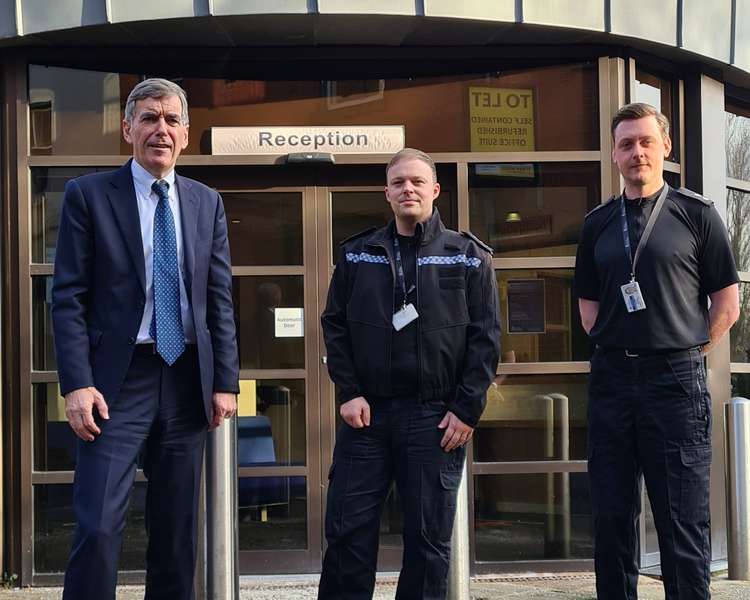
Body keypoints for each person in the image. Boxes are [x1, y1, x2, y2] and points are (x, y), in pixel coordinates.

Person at [51, 78, 240, 600]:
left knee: (177, 532)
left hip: (185, 382)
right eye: (150, 118)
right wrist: (77, 384)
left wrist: (225, 381)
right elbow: (67, 297)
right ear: (128, 128)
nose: (161, 129)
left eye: (172, 120)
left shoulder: (207, 202)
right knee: (97, 525)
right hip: (115, 384)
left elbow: (219, 299)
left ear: (186, 133)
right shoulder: (87, 195)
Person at [574, 102, 740, 600]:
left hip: (675, 384)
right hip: (611, 383)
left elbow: (726, 304)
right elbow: (587, 309)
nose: (637, 152)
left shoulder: (697, 213)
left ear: (665, 148)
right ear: (613, 154)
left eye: (646, 142)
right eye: (626, 144)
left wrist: (685, 351)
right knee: (611, 519)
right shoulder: (597, 223)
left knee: (682, 522)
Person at [318, 148, 500, 600]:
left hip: (435, 417)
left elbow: (486, 339)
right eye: (399, 182)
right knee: (347, 535)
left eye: (417, 182)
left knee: (428, 542)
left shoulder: (468, 257)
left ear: (435, 190)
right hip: (367, 416)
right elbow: (334, 325)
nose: (408, 189)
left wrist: (466, 409)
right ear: (387, 192)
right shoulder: (358, 255)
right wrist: (348, 392)